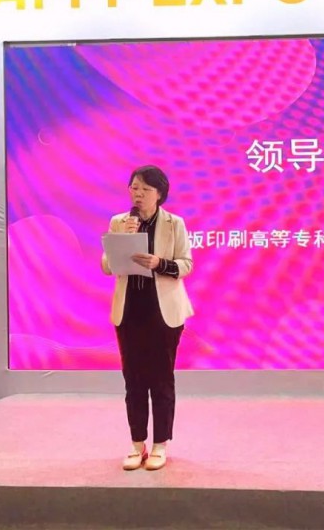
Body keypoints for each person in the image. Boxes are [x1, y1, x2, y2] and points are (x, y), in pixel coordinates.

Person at [101, 165, 193, 471]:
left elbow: (186, 264)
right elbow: (107, 266)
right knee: (133, 379)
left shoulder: (174, 223)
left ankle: (160, 444)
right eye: (134, 188)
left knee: (161, 380)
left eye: (144, 189)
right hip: (129, 311)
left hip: (163, 312)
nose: (137, 194)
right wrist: (123, 240)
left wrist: (159, 263)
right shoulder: (119, 221)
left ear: (159, 194)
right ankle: (136, 443)